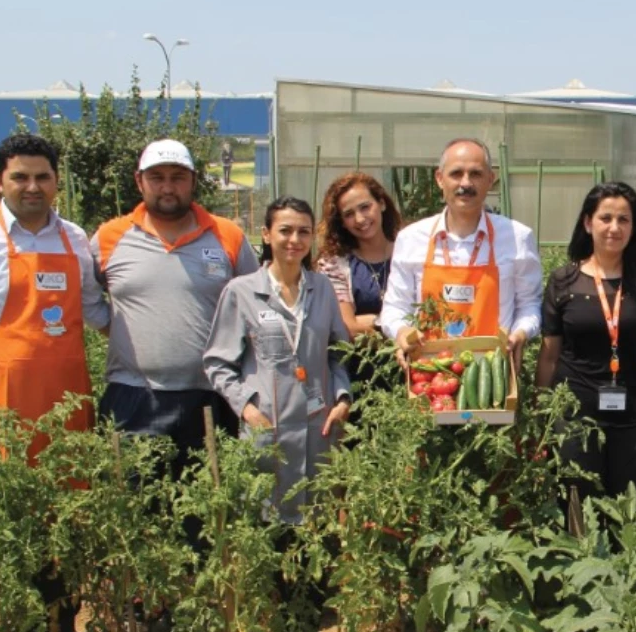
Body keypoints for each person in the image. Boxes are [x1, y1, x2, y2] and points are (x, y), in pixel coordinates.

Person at [0, 133, 110, 632]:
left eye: (42, 176)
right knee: (2, 502)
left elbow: (94, 311)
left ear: (57, 181)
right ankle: (5, 619)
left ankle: (59, 621)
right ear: (0, 181)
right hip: (1, 394)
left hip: (66, 394)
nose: (32, 186)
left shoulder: (75, 239)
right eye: (20, 177)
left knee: (67, 505)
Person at [92, 139, 258, 511]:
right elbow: (88, 299)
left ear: (193, 181)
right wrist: (120, 332)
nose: (168, 187)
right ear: (140, 182)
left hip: (209, 396)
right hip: (134, 394)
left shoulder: (227, 235)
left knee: (207, 510)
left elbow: (253, 303)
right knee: (134, 509)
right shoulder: (110, 237)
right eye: (158, 178)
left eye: (178, 178)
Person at [204, 197, 353, 524]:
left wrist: (342, 398)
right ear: (266, 235)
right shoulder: (241, 292)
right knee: (264, 525)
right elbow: (218, 363)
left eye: (304, 232)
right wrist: (247, 407)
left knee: (317, 527)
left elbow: (339, 352)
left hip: (318, 427)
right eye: (285, 230)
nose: (294, 240)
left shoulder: (322, 289)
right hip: (268, 427)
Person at [535, 182, 636, 503]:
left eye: (624, 220)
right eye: (605, 218)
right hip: (577, 418)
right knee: (580, 512)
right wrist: (541, 415)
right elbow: (549, 354)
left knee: (632, 513)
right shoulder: (564, 282)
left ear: (634, 227)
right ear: (588, 223)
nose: (614, 228)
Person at [379, 138, 541, 360]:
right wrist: (402, 331)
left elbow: (529, 304)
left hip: (493, 374)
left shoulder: (517, 238)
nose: (465, 183)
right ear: (440, 179)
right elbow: (395, 307)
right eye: (456, 174)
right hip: (429, 377)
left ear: (490, 180)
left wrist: (520, 334)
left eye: (475, 174)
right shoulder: (412, 239)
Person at [316, 172, 402, 337]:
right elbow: (347, 327)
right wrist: (393, 322)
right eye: (349, 214)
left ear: (382, 204)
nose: (360, 219)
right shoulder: (333, 264)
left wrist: (368, 321)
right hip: (356, 361)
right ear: (341, 221)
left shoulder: (410, 252)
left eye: (365, 207)